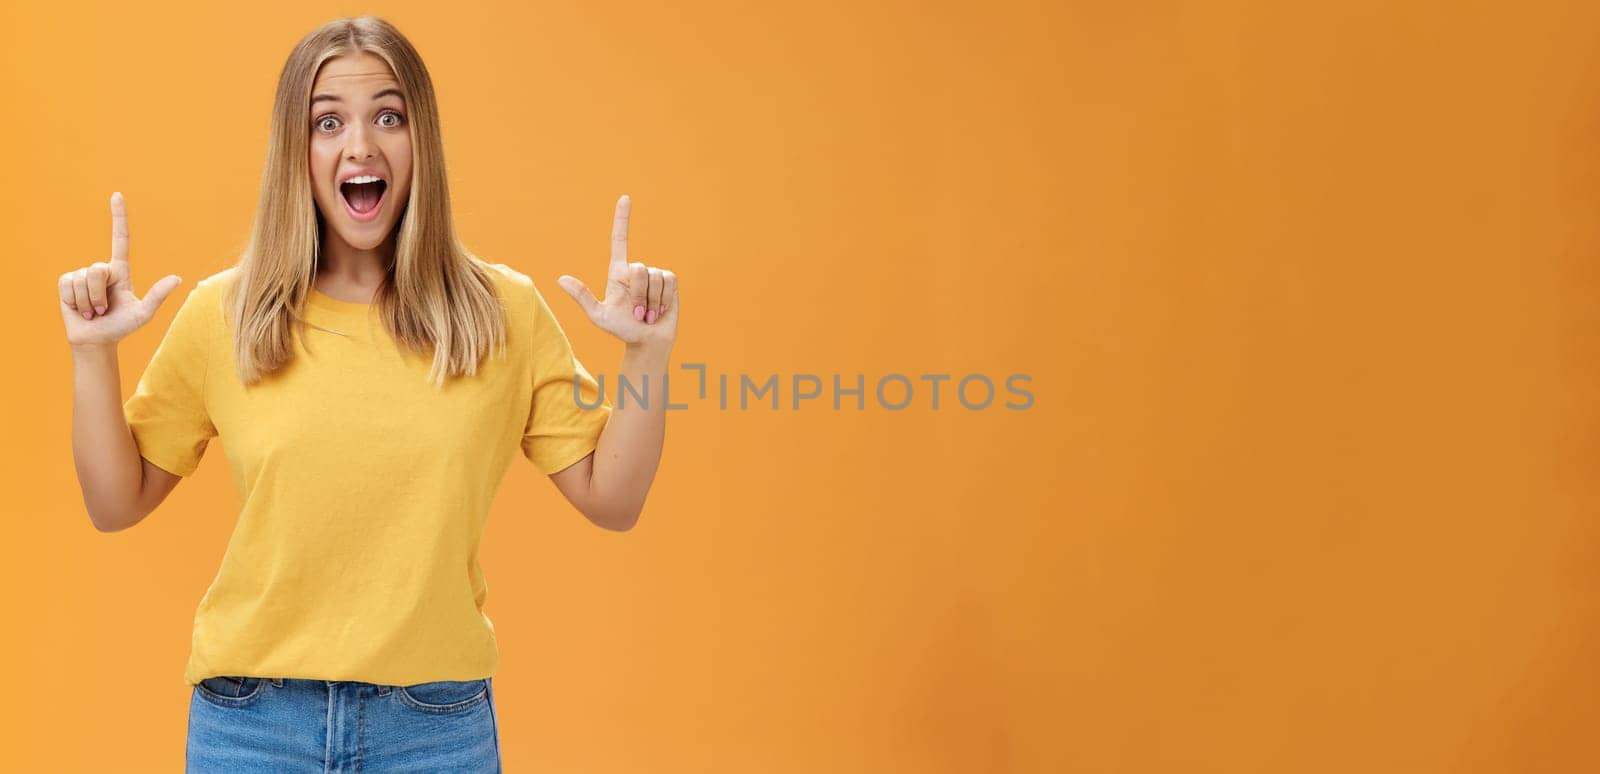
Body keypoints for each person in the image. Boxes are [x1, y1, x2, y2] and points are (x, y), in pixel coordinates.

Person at [60, 16, 678, 772]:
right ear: (298, 149)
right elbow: (113, 503)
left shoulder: (500, 314)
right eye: (328, 122)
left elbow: (612, 501)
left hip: (434, 727)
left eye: (389, 116)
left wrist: (647, 352)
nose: (360, 146)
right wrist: (92, 354)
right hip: (253, 727)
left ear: (423, 143)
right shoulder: (228, 315)